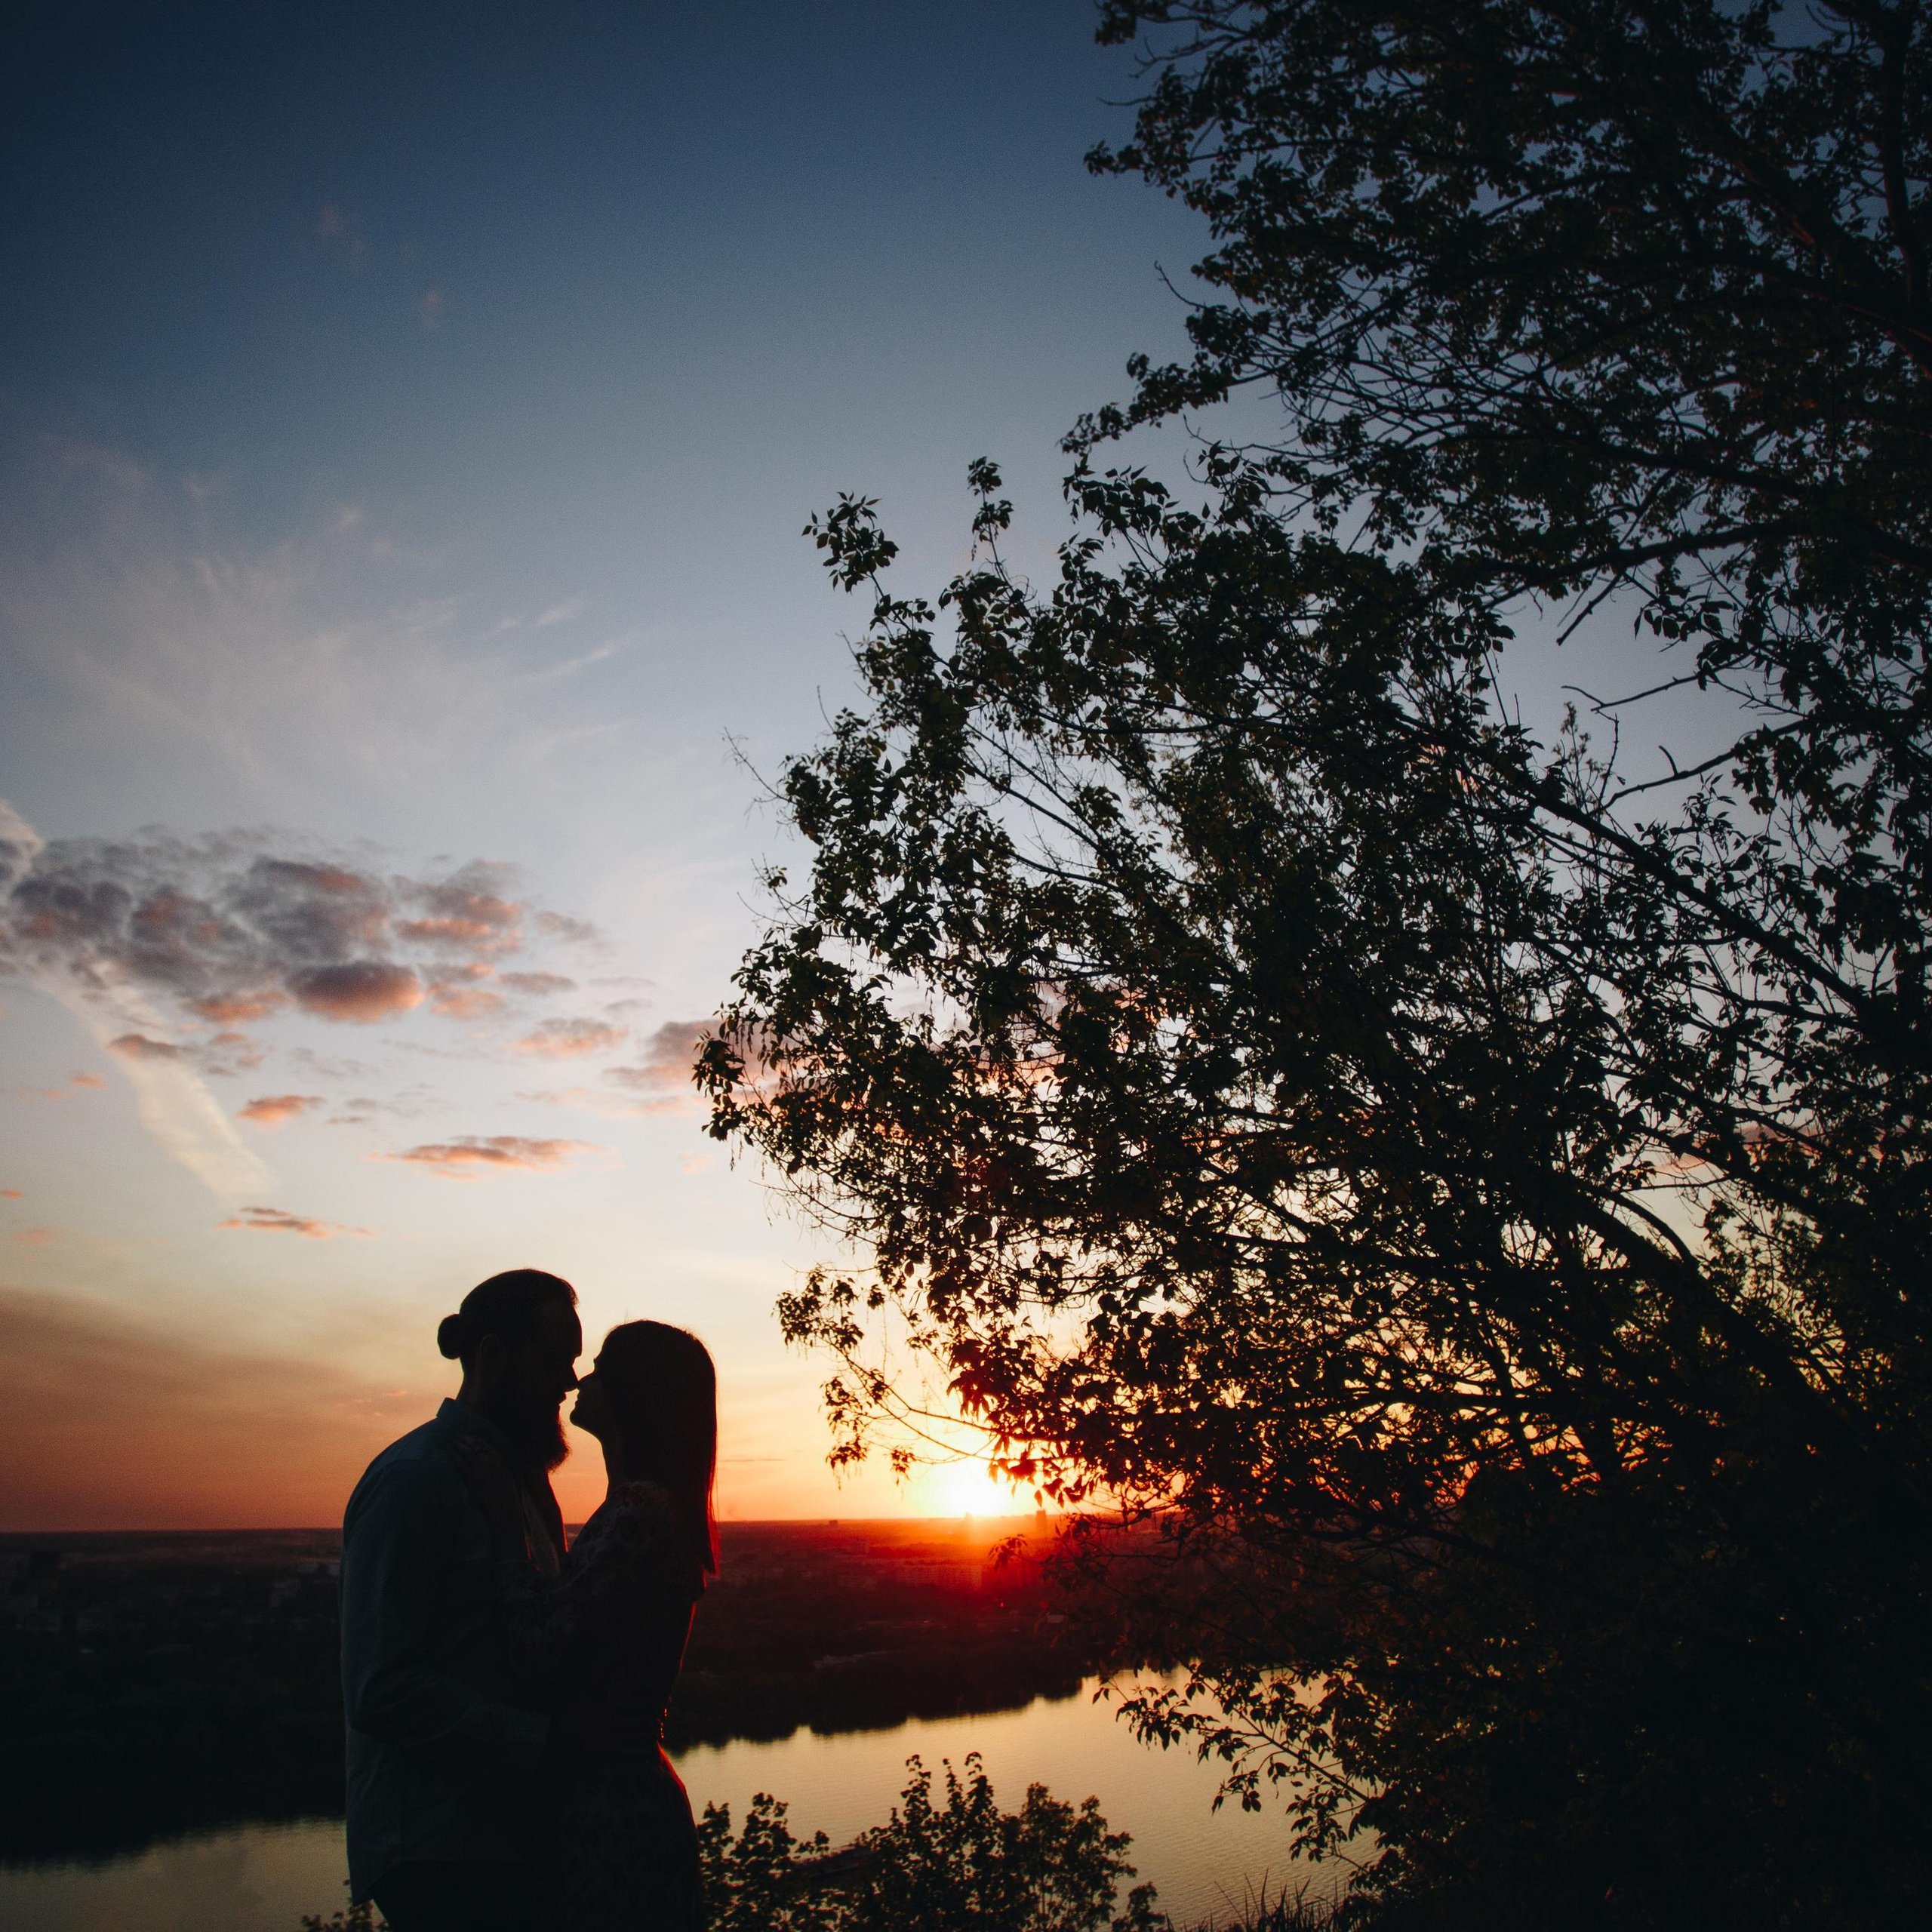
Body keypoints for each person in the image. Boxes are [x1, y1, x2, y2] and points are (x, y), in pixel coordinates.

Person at [339, 1268, 583, 1932]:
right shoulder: (415, 1481)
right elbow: (380, 1686)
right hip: (442, 1849)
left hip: (505, 1841)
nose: (570, 1382)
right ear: (495, 1357)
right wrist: (542, 1744)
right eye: (557, 1360)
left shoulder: (520, 1484)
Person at [469, 1319, 718, 1932]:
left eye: (603, 1367)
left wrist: (507, 1540)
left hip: (611, 1812)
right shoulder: (643, 1508)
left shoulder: (640, 1513)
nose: (583, 1378)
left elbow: (534, 1649)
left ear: (638, 1392)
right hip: (621, 1800)